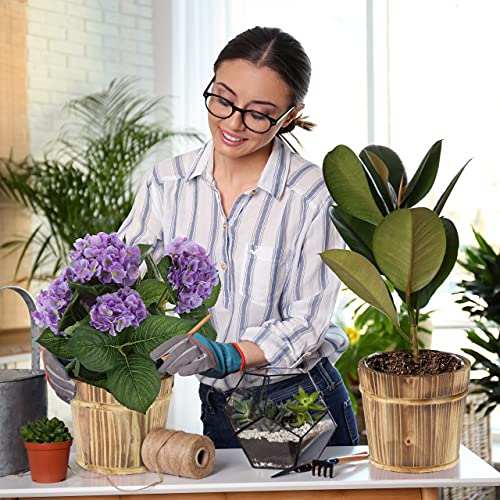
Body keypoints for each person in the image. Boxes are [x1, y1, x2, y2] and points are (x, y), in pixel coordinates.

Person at [43, 26, 359, 448]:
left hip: (300, 399)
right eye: (223, 99)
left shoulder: (313, 197)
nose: (233, 122)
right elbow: (119, 282)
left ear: (288, 116)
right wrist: (70, 344)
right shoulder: (166, 184)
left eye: (258, 113)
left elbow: (307, 319)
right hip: (219, 407)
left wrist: (230, 354)